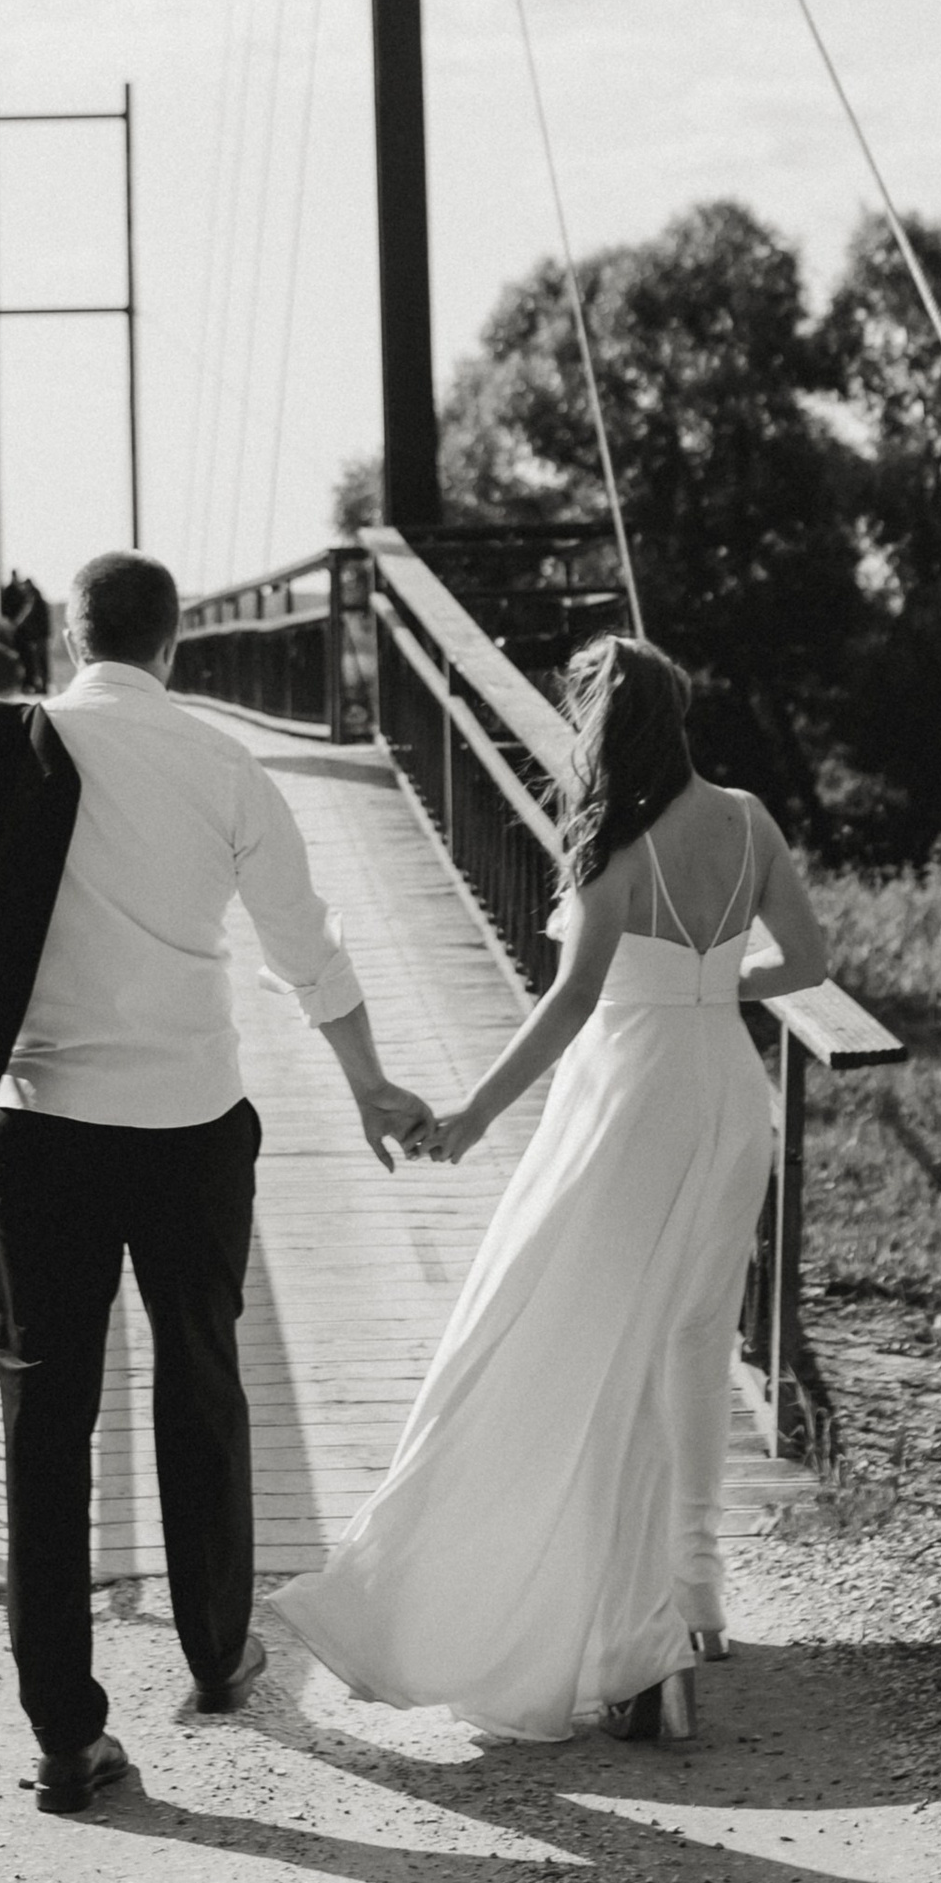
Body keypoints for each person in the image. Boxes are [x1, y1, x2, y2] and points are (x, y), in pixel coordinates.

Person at [273, 632, 830, 1745]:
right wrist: (711, 984)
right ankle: (693, 1603)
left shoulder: (615, 846)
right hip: (730, 1094)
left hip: (631, 1102)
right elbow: (808, 962)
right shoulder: (748, 819)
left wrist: (474, 1116)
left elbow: (573, 1002)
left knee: (570, 1345)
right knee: (691, 1340)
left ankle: (631, 1643)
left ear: (598, 731)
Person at [0, 544, 436, 1814]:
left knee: (44, 1424)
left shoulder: (13, 750)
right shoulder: (221, 763)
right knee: (200, 1385)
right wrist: (367, 1084)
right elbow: (305, 945)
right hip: (189, 1127)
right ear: (174, 644)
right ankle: (218, 1654)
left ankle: (64, 1734)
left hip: (45, 1126)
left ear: (69, 637)